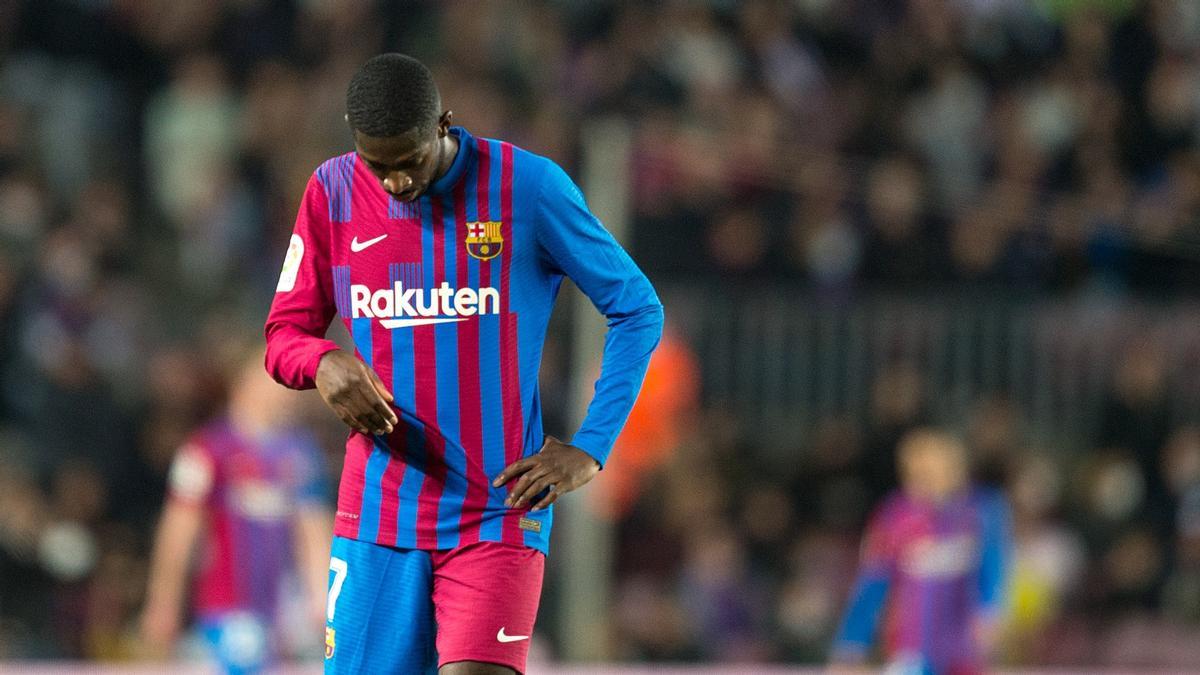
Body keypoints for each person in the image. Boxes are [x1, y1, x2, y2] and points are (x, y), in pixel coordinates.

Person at [263, 53, 663, 674]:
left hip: (496, 512)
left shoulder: (527, 188)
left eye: (409, 161)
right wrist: (320, 361)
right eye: (378, 165)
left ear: (443, 123)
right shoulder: (333, 192)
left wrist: (592, 445)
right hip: (377, 513)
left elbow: (636, 308)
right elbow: (284, 333)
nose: (394, 183)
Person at [141, 353, 332, 674]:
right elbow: (178, 530)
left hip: (287, 614)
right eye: (273, 378)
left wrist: (323, 600)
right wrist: (164, 601)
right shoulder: (207, 450)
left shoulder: (300, 453)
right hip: (226, 609)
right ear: (242, 384)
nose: (283, 389)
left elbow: (314, 530)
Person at [830, 428, 1011, 675]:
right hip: (912, 645)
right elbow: (874, 581)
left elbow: (993, 564)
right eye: (914, 472)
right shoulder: (894, 514)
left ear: (954, 469)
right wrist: (850, 646)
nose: (922, 481)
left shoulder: (982, 509)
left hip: (965, 647)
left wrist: (990, 610)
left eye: (931, 472)